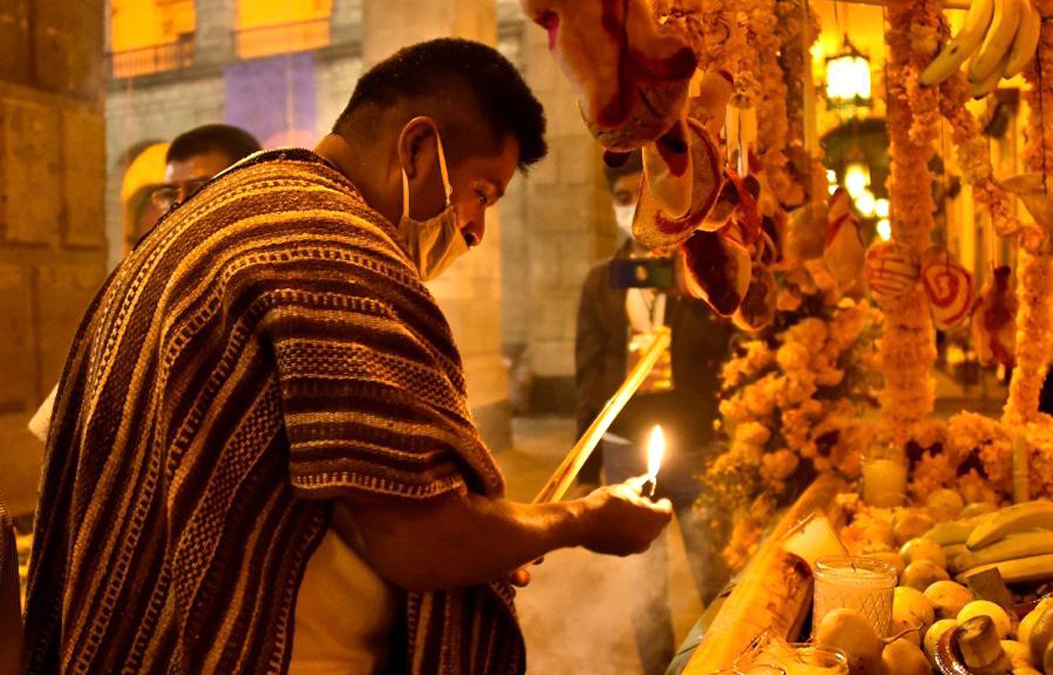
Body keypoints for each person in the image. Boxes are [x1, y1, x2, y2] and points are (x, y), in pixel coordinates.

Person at [23, 38, 672, 675]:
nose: (475, 229)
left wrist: (503, 534)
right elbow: (419, 536)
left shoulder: (214, 224)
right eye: (482, 193)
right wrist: (582, 518)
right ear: (418, 149)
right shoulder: (337, 252)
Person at [574, 152, 733, 675]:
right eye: (621, 200)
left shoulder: (698, 274)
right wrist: (587, 464)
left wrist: (687, 286)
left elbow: (725, 345)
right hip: (625, 458)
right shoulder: (600, 282)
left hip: (696, 447)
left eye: (640, 198)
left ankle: (729, 662)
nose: (631, 210)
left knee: (718, 585)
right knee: (645, 599)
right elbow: (589, 373)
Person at [26, 123, 262, 444]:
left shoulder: (265, 280)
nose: (178, 206)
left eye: (197, 188)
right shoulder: (146, 282)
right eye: (169, 195)